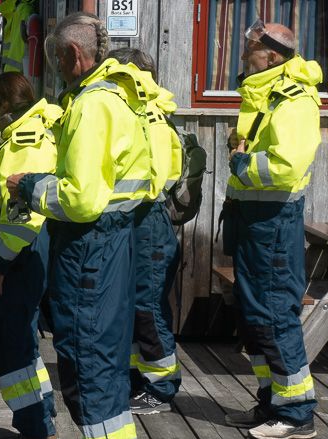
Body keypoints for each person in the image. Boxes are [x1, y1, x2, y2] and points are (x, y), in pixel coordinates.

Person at [9, 12, 151, 439]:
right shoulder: (119, 98)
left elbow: (82, 198)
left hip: (90, 246)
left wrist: (29, 187)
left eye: (54, 60)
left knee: (87, 362)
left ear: (71, 56)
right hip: (113, 246)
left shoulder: (91, 106)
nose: (54, 70)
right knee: (105, 363)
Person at [221, 21, 321, 439]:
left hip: (274, 222)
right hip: (253, 219)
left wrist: (243, 163)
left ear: (273, 56)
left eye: (249, 51)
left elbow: (286, 166)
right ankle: (272, 401)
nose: (243, 58)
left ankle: (297, 412)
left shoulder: (293, 99)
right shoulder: (265, 94)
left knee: (276, 314)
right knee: (256, 314)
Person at [0, 72, 61, 439]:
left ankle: (36, 432)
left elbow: (23, 215)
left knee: (12, 342)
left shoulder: (27, 140)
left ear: (7, 105)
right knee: (20, 340)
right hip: (16, 249)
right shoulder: (22, 134)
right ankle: (39, 422)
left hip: (16, 252)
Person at [109, 48, 183, 415]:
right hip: (143, 218)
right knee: (138, 304)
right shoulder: (155, 111)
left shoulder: (147, 114)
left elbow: (154, 176)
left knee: (147, 305)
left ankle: (162, 386)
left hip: (147, 218)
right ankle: (142, 377)